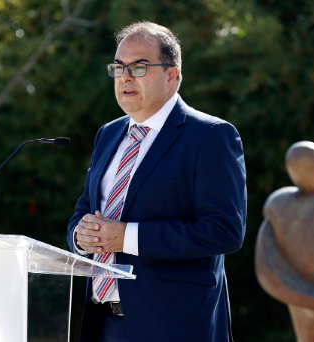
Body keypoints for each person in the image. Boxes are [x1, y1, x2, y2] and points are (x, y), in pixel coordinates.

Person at [67, 21, 246, 341]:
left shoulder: (210, 135)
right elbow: (85, 209)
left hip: (174, 325)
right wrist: (81, 236)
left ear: (172, 75)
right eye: (118, 67)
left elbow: (224, 231)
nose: (125, 76)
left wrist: (127, 239)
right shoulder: (108, 134)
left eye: (138, 66)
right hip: (103, 323)